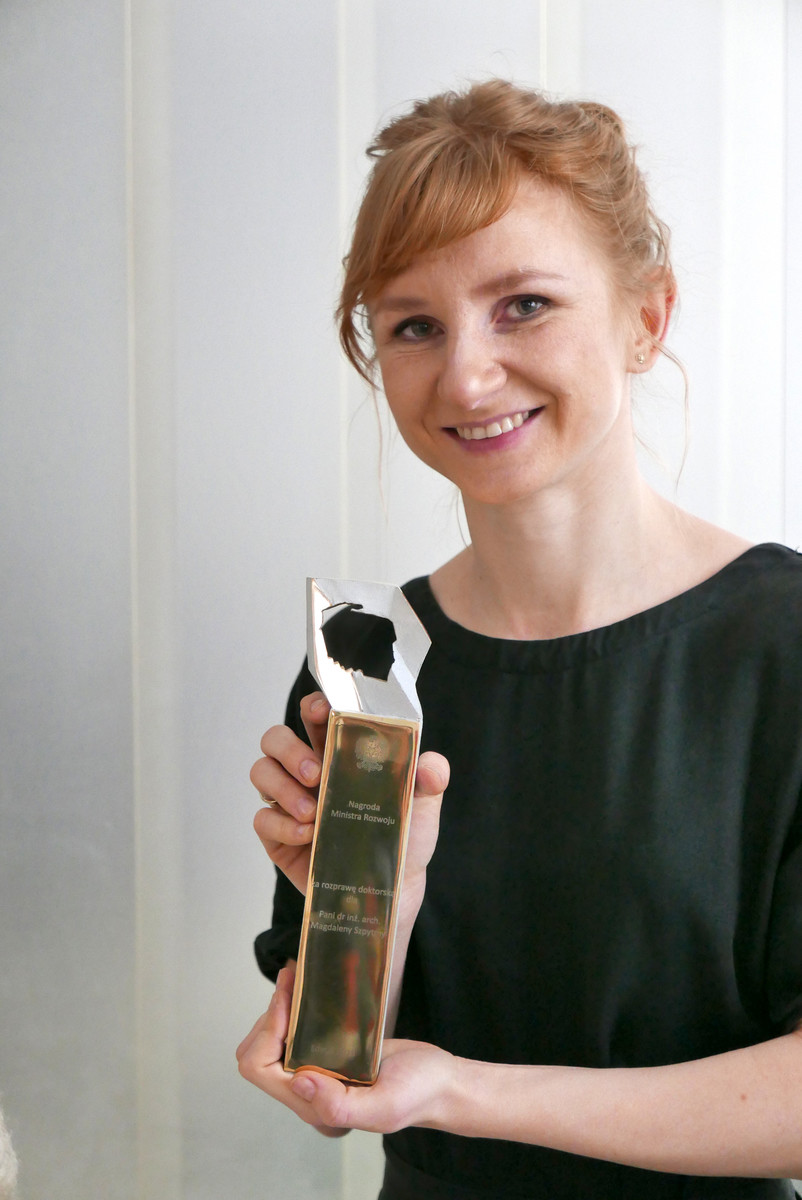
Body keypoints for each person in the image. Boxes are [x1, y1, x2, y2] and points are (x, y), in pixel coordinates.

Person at [238, 80, 802, 1198]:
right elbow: (336, 1072)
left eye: (524, 305)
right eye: (415, 326)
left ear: (647, 318)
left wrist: (465, 1091)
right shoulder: (368, 656)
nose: (466, 374)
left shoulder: (779, 648)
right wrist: (382, 909)